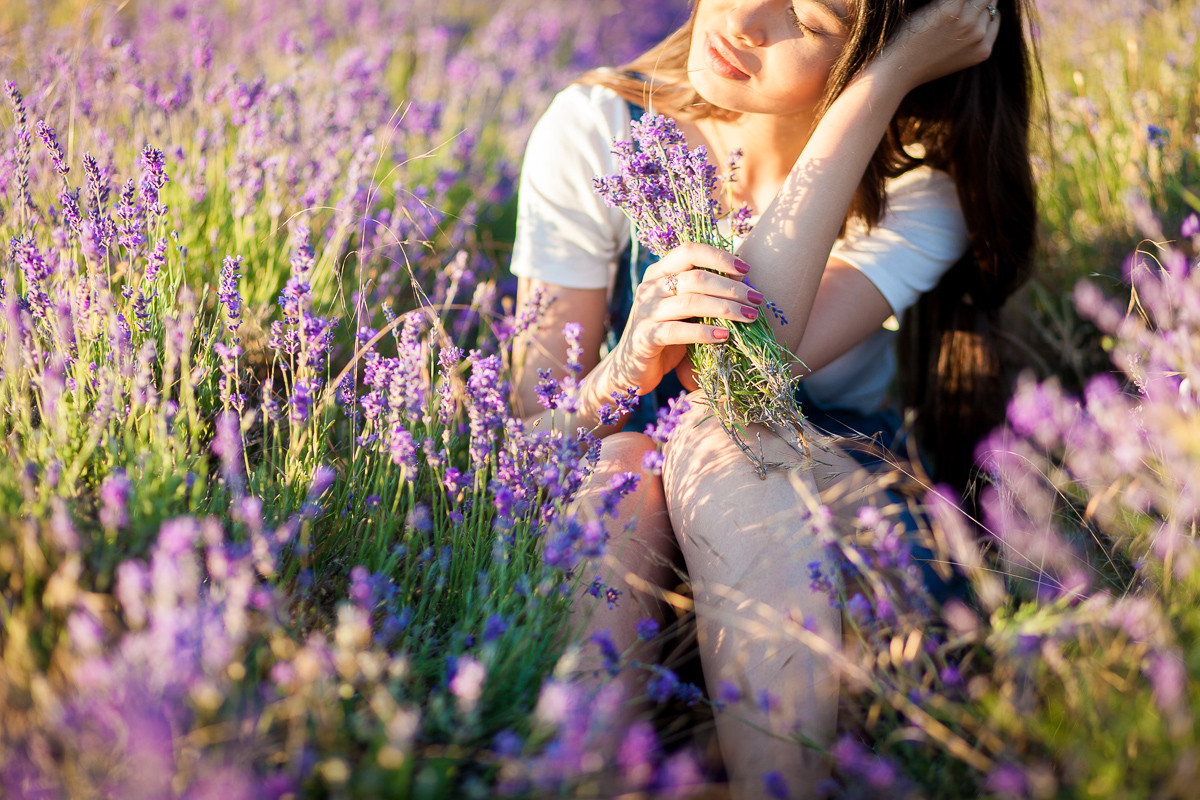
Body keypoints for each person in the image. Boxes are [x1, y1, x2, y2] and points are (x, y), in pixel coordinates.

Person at [509, 0, 1037, 796]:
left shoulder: (917, 188)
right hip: (629, 559)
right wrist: (627, 365)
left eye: (811, 19)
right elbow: (524, 436)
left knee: (726, 436)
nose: (748, 16)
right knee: (620, 462)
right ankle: (579, 776)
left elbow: (754, 360)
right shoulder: (596, 128)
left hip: (822, 555)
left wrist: (876, 86)